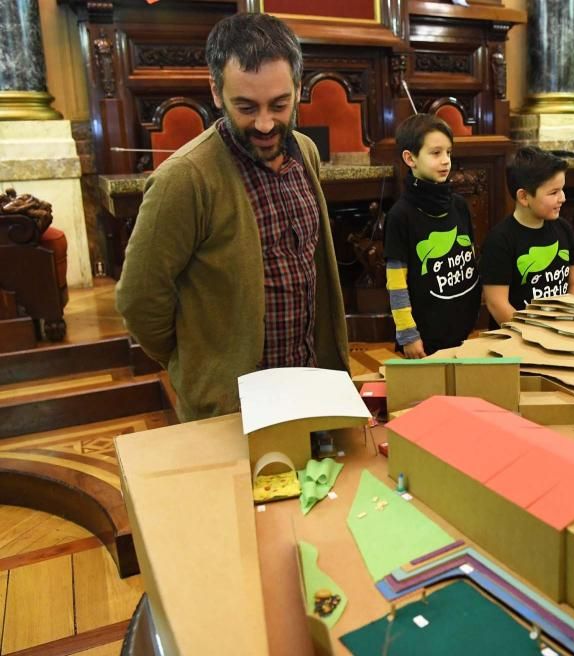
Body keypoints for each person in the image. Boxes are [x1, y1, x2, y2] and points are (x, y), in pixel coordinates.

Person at [116, 13, 350, 421]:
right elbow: (139, 300)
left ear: (298, 87)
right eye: (246, 106)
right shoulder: (184, 180)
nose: (264, 124)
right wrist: (200, 364)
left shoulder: (306, 153)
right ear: (216, 91)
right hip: (230, 410)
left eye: (279, 105)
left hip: (308, 386)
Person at [383, 114, 481, 358]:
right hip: (423, 338)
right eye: (435, 153)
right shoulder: (400, 215)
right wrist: (407, 333)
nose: (446, 161)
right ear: (410, 158)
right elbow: (396, 283)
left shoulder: (459, 206)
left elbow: (469, 260)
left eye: (448, 152)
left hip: (462, 332)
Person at [480, 146, 574, 326]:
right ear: (524, 197)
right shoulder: (500, 240)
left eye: (562, 189)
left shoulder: (564, 229)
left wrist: (567, 320)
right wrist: (535, 333)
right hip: (517, 340)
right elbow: (497, 303)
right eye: (553, 192)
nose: (563, 198)